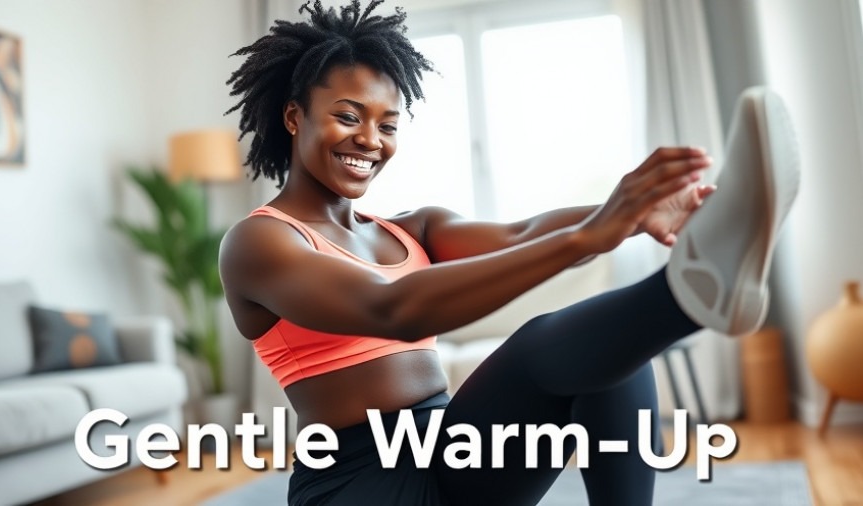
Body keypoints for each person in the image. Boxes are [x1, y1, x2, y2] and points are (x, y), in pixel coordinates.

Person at [220, 1, 799, 504]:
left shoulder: (411, 229)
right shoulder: (259, 243)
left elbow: (522, 234)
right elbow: (392, 308)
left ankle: (696, 282)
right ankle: (687, 292)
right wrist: (589, 235)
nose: (370, 140)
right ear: (294, 116)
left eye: (387, 125)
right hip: (358, 482)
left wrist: (633, 215)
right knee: (551, 340)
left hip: (453, 450)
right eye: (348, 116)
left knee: (606, 351)